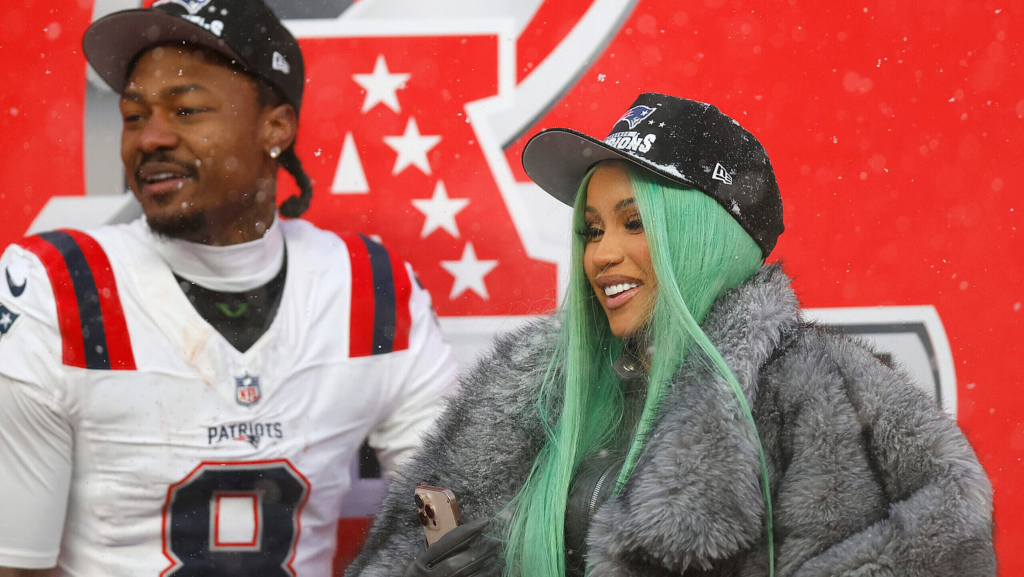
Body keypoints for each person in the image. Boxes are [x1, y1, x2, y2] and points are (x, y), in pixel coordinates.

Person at [345, 93, 996, 576]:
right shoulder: (530, 387)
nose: (601, 255)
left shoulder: (820, 392)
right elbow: (423, 511)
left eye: (634, 221)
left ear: (706, 235)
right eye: (592, 229)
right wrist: (444, 556)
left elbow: (945, 531)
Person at [0, 1, 459, 575]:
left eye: (187, 110)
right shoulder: (58, 290)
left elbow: (447, 514)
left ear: (276, 127)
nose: (150, 139)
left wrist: (451, 544)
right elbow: (14, 562)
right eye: (134, 115)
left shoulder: (368, 287)